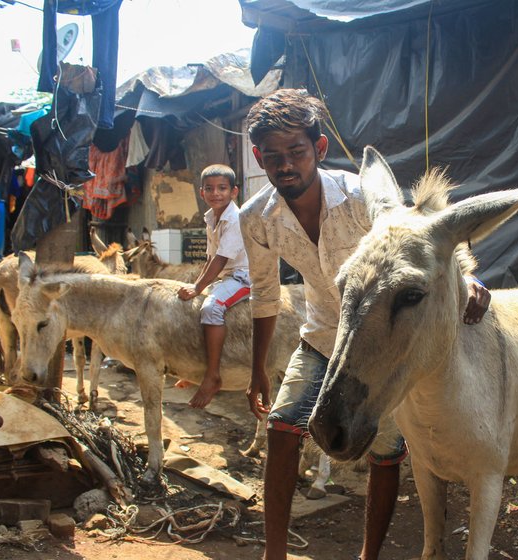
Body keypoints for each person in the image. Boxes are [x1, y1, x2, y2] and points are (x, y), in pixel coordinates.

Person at [239, 89, 491, 560]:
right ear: (258, 158)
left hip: (386, 344)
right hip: (320, 336)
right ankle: (274, 554)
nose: (285, 166)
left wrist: (470, 280)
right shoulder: (257, 218)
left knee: (385, 448)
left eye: (296, 152)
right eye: (272, 157)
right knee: (283, 427)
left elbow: (430, 240)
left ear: (319, 149)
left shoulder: (364, 200)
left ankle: (368, 555)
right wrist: (257, 368)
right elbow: (264, 294)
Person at [176, 164, 251, 409]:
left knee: (211, 308)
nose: (216, 193)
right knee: (191, 306)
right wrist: (197, 285)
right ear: (201, 193)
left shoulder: (235, 218)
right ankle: (194, 369)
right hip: (225, 277)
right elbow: (210, 257)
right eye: (210, 188)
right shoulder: (211, 217)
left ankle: (213, 375)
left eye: (222, 188)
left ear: (234, 192)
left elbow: (221, 260)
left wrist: (198, 288)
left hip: (243, 277)